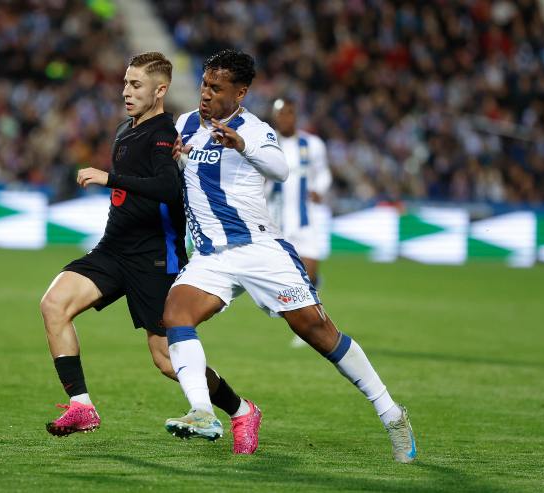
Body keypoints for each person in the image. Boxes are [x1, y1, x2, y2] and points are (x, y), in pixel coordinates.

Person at [163, 49, 416, 463]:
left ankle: (391, 413)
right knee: (175, 315)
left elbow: (280, 169)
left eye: (216, 88)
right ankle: (203, 412)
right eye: (204, 84)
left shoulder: (254, 129)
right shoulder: (186, 124)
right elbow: (187, 177)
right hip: (211, 256)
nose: (205, 93)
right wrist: (174, 160)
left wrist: (242, 144)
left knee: (317, 332)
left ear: (240, 93)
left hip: (259, 250)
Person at [39, 52, 259, 454]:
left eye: (136, 85)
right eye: (125, 83)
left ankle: (242, 410)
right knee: (54, 304)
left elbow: (167, 188)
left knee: (165, 360)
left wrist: (109, 178)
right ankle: (81, 406)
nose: (126, 91)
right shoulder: (126, 129)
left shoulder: (162, 134)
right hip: (113, 249)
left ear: (160, 90)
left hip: (155, 259)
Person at [268, 97, 332, 348]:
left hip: (305, 219)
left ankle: (312, 324)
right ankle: (301, 318)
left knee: (310, 271)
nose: (285, 118)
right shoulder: (266, 142)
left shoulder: (312, 144)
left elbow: (323, 173)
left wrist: (319, 189)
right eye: (281, 114)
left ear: (295, 115)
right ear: (275, 117)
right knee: (283, 276)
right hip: (276, 219)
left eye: (289, 113)